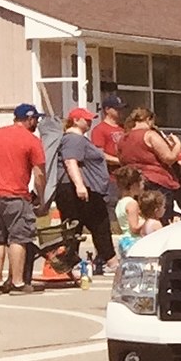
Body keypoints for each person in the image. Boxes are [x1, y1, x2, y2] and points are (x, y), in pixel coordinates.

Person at [0, 103, 47, 295]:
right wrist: (41, 198)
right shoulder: (31, 140)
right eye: (36, 119)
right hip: (16, 195)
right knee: (18, 238)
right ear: (29, 119)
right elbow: (39, 174)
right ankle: (17, 282)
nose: (36, 123)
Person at [56, 107, 118, 273]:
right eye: (86, 119)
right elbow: (70, 161)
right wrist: (80, 186)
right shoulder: (73, 139)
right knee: (98, 223)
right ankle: (110, 261)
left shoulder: (79, 139)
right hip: (77, 189)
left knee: (87, 225)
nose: (90, 121)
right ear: (75, 120)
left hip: (81, 188)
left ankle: (73, 261)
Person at [118, 108, 181, 225]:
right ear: (149, 119)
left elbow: (121, 159)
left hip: (134, 181)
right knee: (160, 217)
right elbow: (169, 158)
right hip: (156, 180)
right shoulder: (150, 135)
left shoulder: (123, 138)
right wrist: (177, 145)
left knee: (142, 218)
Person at [90, 94, 127, 218]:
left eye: (121, 108)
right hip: (111, 177)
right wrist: (119, 161)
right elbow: (99, 154)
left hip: (126, 176)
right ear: (107, 110)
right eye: (117, 109)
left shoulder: (123, 128)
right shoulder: (100, 130)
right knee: (112, 204)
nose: (120, 111)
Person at [114, 165, 146, 257]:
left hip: (124, 240)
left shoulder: (120, 203)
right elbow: (134, 227)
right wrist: (148, 221)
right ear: (134, 185)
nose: (142, 186)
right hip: (133, 241)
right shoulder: (132, 203)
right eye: (141, 183)